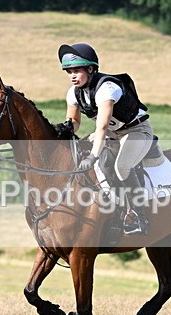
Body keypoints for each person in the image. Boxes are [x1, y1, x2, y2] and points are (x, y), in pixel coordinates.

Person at [54, 43, 153, 235]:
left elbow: (102, 127)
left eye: (77, 71)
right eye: (69, 72)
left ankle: (139, 216)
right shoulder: (73, 92)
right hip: (111, 134)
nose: (72, 76)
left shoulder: (107, 88)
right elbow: (74, 121)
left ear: (91, 69)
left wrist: (93, 156)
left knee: (122, 167)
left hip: (136, 131)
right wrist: (65, 128)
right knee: (75, 152)